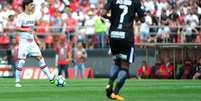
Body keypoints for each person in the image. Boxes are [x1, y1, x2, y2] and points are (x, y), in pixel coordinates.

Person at [101, 0, 144, 100]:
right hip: (126, 35)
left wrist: (111, 17)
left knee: (116, 62)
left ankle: (109, 84)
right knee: (124, 67)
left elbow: (103, 14)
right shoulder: (135, 1)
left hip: (113, 35)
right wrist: (133, 16)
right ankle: (115, 93)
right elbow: (142, 20)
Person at [15, 0, 55, 87]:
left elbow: (32, 31)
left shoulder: (32, 17)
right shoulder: (20, 16)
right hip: (24, 42)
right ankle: (17, 81)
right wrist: (26, 30)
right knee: (21, 61)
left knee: (40, 58)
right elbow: (17, 28)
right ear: (26, 6)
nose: (32, 6)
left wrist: (37, 40)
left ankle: (50, 78)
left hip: (32, 42)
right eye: (31, 5)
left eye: (33, 5)